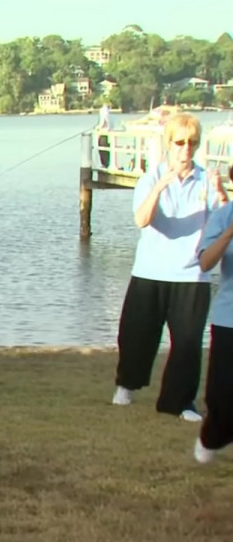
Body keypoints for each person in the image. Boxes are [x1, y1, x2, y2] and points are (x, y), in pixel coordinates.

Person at [112, 112, 227, 422]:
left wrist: (220, 194)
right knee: (138, 335)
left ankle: (180, 403)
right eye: (179, 143)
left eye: (192, 143)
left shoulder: (205, 179)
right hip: (150, 271)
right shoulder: (152, 177)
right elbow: (141, 220)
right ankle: (127, 385)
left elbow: (223, 221)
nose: (185, 149)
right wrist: (161, 185)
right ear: (168, 144)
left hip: (192, 274)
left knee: (188, 343)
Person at [194, 164, 233, 463]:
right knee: (222, 397)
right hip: (228, 318)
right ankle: (211, 439)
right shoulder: (222, 216)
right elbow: (206, 262)